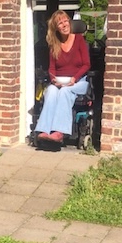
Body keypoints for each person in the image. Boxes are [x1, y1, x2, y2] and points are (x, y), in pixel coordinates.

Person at [35, 10, 90, 144]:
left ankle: (59, 132)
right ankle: (44, 130)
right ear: (56, 28)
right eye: (60, 23)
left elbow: (86, 64)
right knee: (51, 91)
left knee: (65, 91)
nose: (64, 25)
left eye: (66, 21)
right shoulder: (54, 45)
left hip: (79, 81)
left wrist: (74, 79)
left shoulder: (79, 39)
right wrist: (54, 79)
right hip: (60, 80)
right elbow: (52, 68)